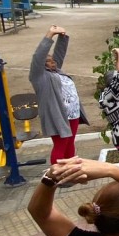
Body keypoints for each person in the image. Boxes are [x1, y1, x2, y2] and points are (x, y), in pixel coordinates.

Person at [30, 25, 89, 165]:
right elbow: (38, 56)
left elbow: (60, 54)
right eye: (48, 61)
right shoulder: (40, 77)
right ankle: (58, 175)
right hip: (58, 117)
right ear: (42, 65)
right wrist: (50, 34)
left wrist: (62, 37)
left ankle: (69, 173)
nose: (53, 63)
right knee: (61, 146)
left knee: (70, 144)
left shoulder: (57, 72)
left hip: (73, 114)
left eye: (53, 61)